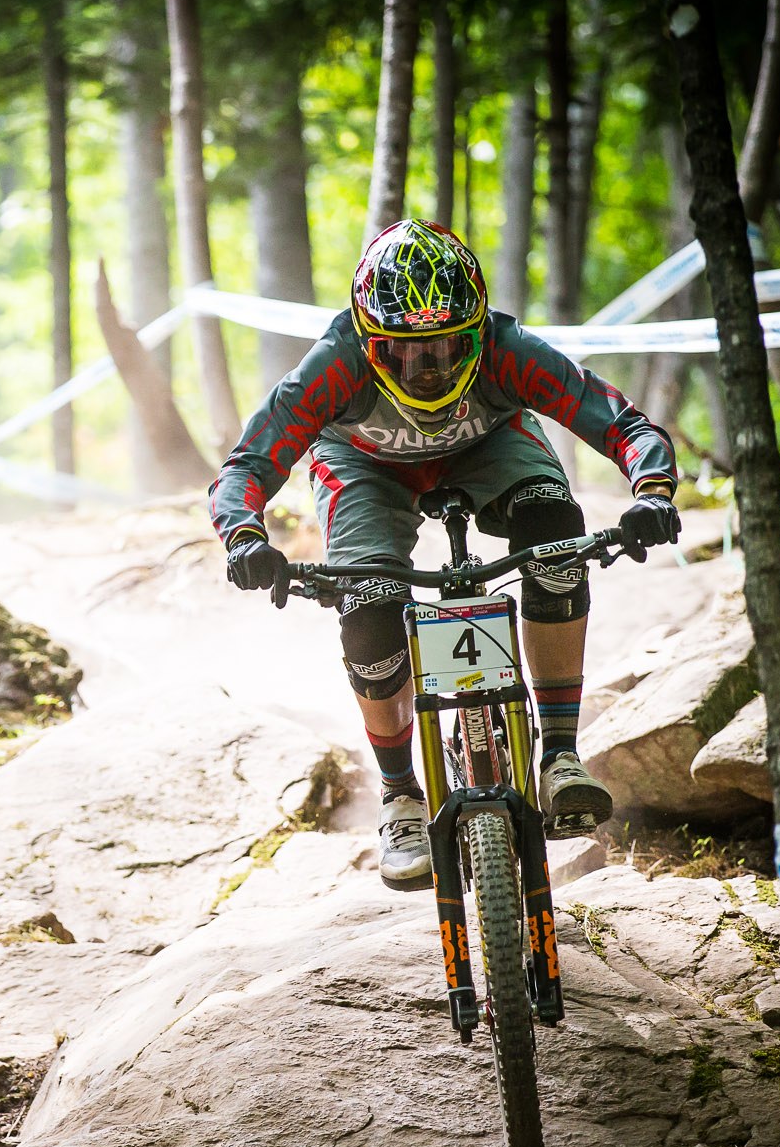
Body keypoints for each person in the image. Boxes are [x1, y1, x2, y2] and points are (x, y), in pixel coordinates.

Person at [211, 219, 681, 889]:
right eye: (405, 355)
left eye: (446, 348)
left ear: (478, 333)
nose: (428, 371)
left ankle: (560, 755)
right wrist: (244, 537)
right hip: (364, 464)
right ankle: (401, 796)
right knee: (368, 605)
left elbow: (619, 422)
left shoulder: (507, 348)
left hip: (488, 444)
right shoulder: (334, 363)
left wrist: (652, 492)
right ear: (367, 342)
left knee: (555, 532)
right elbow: (248, 463)